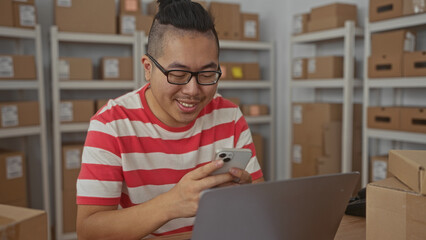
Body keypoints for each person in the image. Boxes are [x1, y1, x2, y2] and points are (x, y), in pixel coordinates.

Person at [76, 0, 264, 239]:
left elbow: (259, 202)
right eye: (178, 74)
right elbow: (88, 231)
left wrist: (245, 197)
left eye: (207, 74)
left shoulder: (230, 116)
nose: (193, 90)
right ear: (147, 68)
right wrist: (173, 204)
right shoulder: (111, 125)